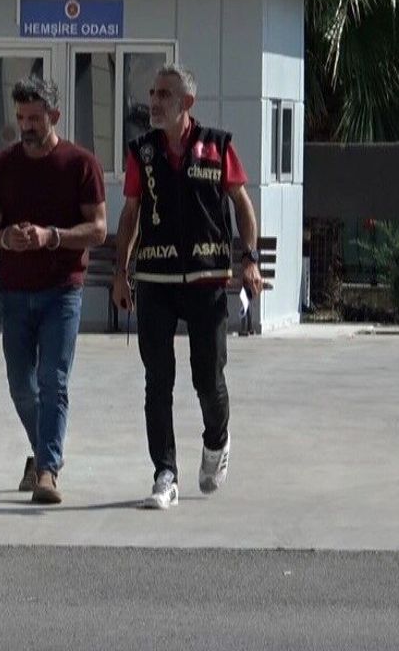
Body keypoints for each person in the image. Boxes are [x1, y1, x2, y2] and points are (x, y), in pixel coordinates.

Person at [111, 64, 262, 510]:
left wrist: (249, 260)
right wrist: (121, 272)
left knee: (207, 378)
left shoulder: (217, 145)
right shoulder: (141, 151)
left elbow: (241, 205)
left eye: (165, 94)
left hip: (206, 279)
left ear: (187, 103)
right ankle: (165, 474)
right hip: (155, 280)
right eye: (153, 92)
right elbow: (130, 213)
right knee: (157, 381)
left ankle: (217, 440)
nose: (154, 101)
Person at [0, 77, 107, 505]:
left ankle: (47, 470)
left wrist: (52, 236)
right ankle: (44, 450)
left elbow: (98, 229)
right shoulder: (0, 165)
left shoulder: (80, 164)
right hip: (14, 291)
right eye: (21, 118)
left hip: (62, 291)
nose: (26, 126)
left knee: (53, 379)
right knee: (21, 386)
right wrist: (6, 238)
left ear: (54, 116)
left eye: (34, 118)